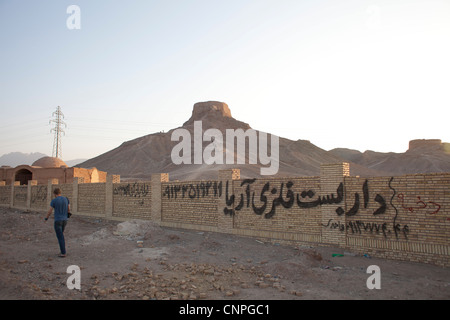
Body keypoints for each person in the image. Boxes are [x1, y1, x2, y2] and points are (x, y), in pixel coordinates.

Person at [45, 188, 71, 257]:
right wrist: (67, 215)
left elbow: (50, 211)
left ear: (55, 194)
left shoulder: (54, 201)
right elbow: (69, 209)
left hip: (58, 220)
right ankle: (62, 251)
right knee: (61, 235)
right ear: (60, 193)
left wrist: (46, 218)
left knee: (60, 237)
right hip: (65, 220)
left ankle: (63, 252)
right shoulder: (66, 199)